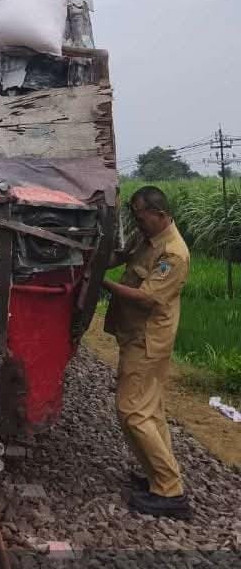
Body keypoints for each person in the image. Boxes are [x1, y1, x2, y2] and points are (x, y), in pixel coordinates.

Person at [103, 186, 191, 519]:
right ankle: (161, 479)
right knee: (150, 411)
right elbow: (122, 256)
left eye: (141, 216)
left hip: (147, 341)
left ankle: (171, 494)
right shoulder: (147, 238)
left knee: (132, 411)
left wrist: (102, 282)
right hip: (136, 335)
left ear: (160, 214)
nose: (137, 222)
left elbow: (148, 297)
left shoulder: (173, 254)